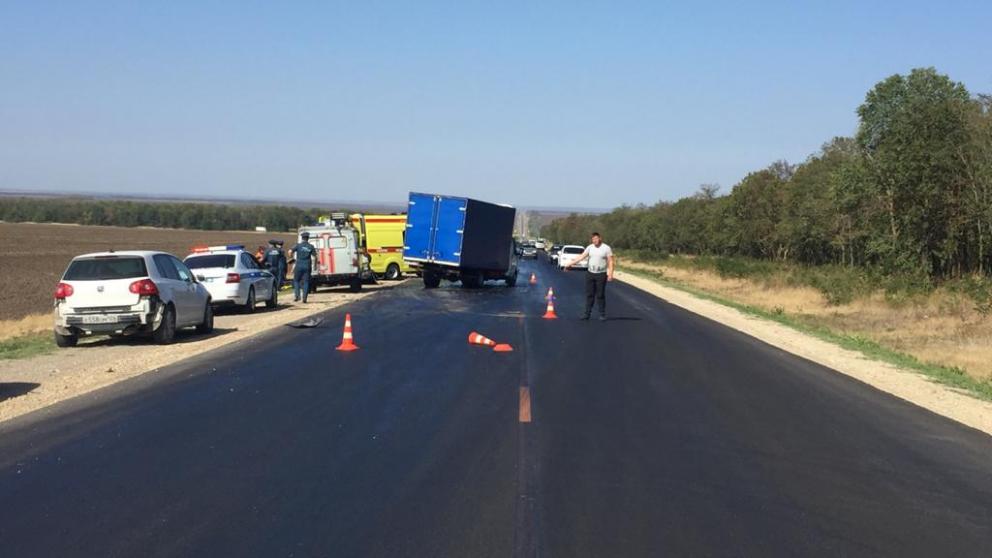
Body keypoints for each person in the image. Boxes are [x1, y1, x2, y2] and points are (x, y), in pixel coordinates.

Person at [565, 232, 615, 321]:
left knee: (600, 295)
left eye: (596, 238)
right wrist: (570, 264)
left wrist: (610, 274)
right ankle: (587, 314)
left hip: (601, 274)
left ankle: (602, 314)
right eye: (593, 239)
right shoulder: (590, 247)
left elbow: (610, 261)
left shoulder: (606, 248)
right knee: (589, 294)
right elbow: (581, 257)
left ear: (600, 238)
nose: (594, 240)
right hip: (590, 274)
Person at [290, 232, 318, 302]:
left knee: (296, 280)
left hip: (299, 265)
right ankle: (304, 298)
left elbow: (290, 251)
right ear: (308, 238)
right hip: (307, 265)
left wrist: (291, 258)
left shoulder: (298, 245)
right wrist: (314, 266)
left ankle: (297, 295)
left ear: (302, 238)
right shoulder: (311, 246)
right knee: (306, 282)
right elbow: (315, 257)